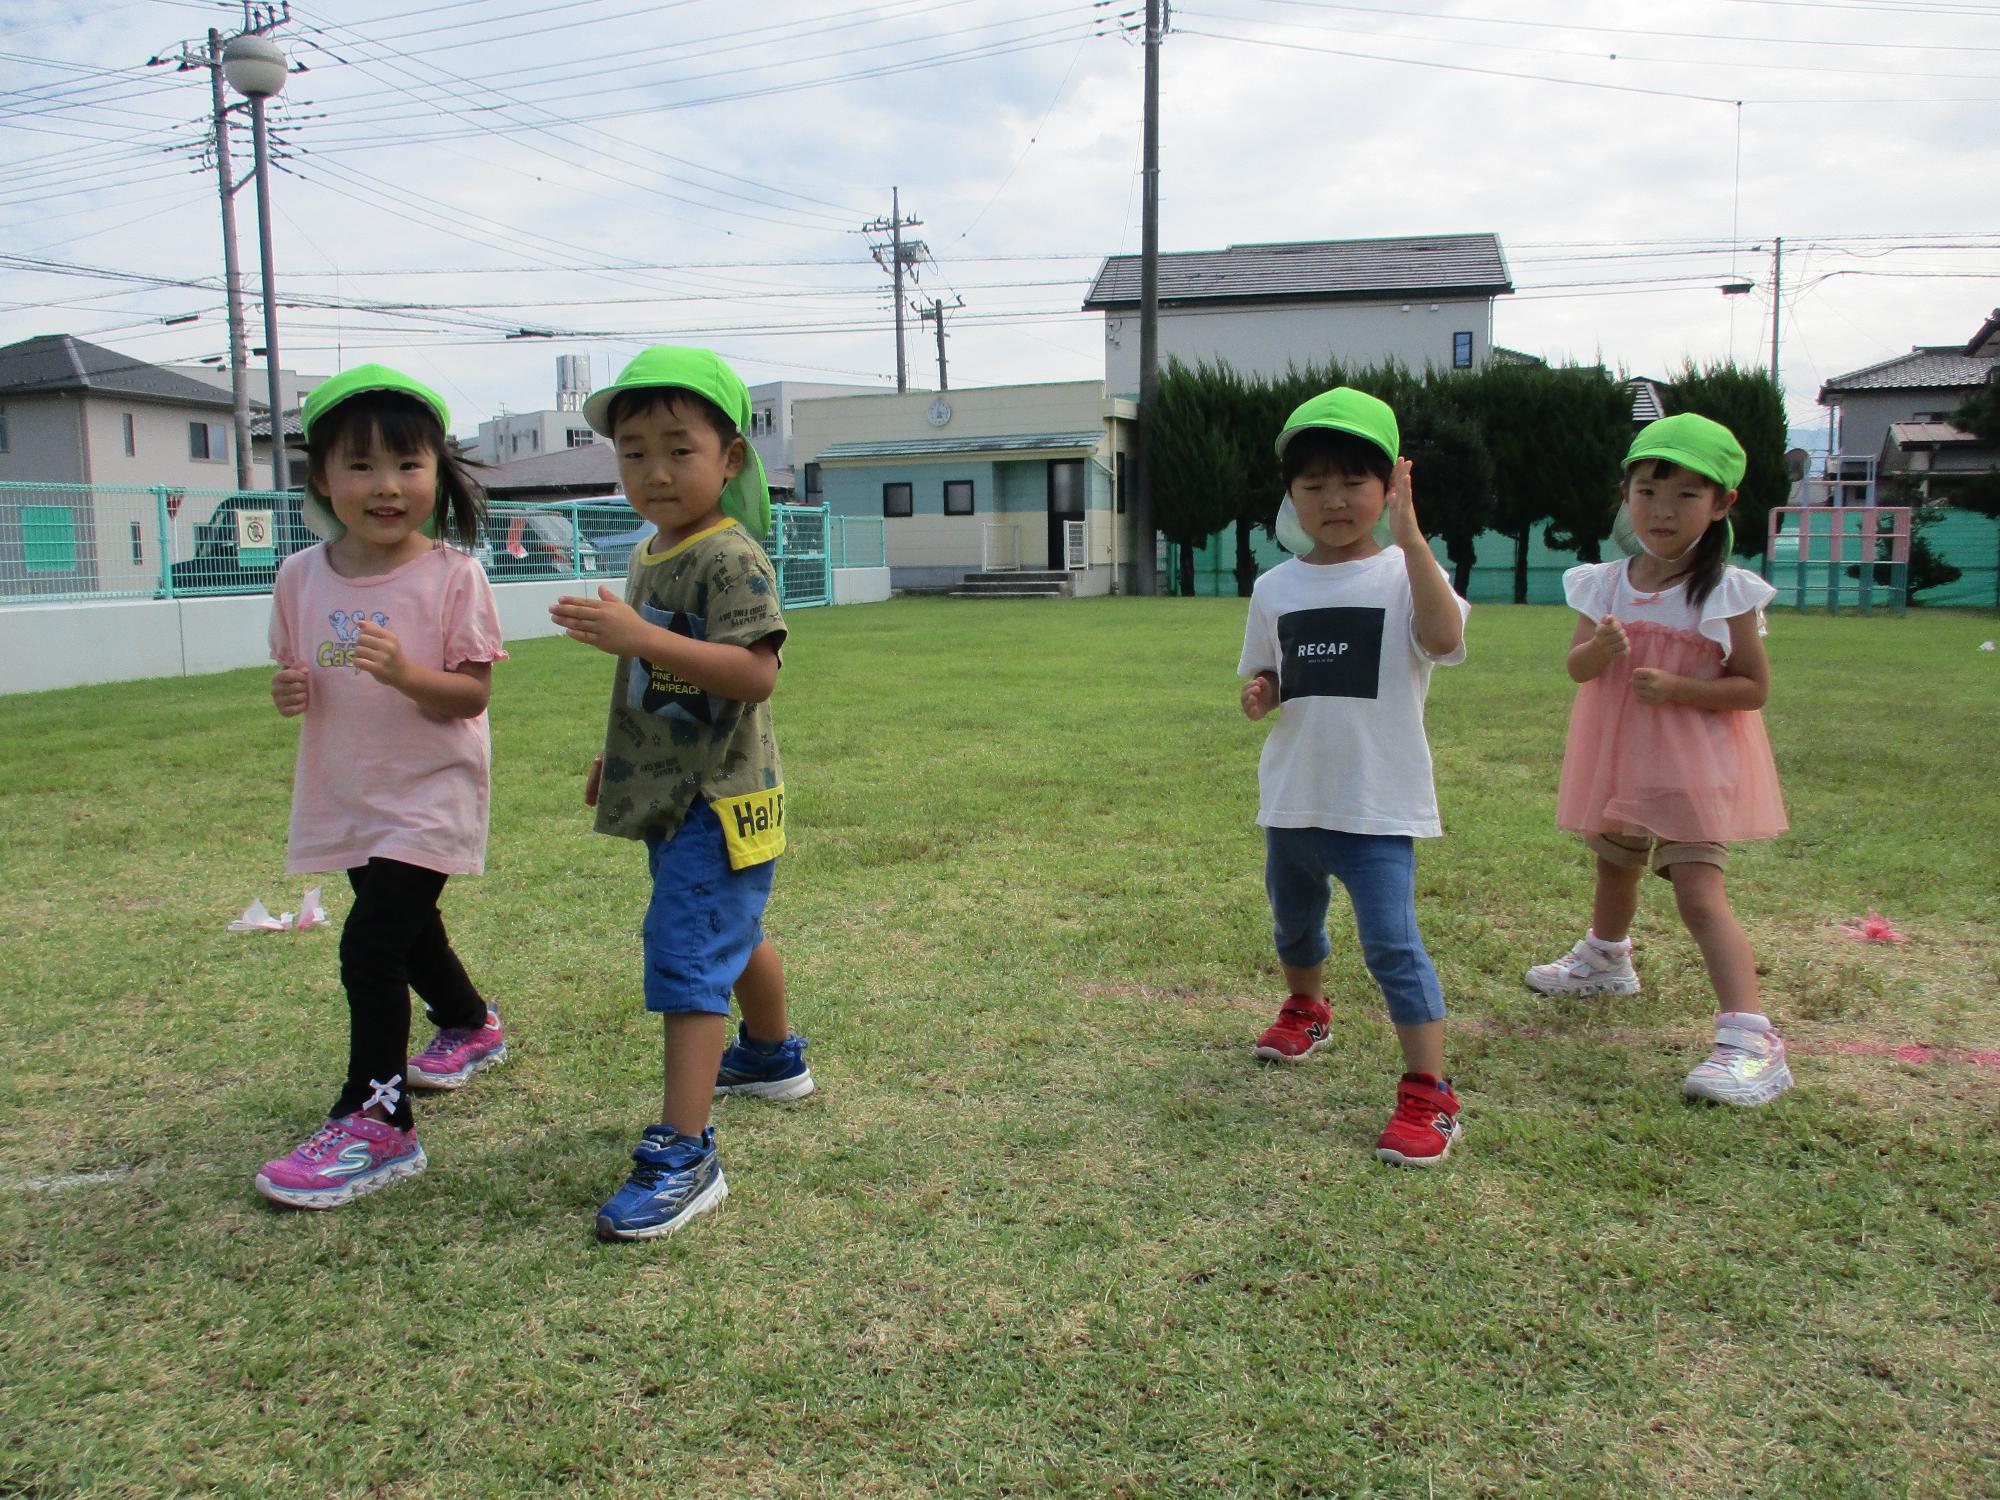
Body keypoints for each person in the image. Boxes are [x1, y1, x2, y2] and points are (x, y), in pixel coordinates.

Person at [551, 346, 810, 1241]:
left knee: (689, 948)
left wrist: (633, 635)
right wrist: (613, 755)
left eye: (678, 448)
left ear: (730, 458)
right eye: (633, 452)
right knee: (724, 929)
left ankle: (687, 1152)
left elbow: (753, 674)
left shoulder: (730, 559)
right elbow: (649, 676)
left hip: (721, 794)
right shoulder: (653, 551)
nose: (654, 471)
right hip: (672, 789)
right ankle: (773, 1057)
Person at [255, 365, 509, 1209]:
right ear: (323, 479)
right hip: (350, 790)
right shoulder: (300, 576)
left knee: (370, 945)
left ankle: (378, 1119)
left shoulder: (451, 576)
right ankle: (471, 1023)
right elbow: (296, 671)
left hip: (431, 788)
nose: (386, 486)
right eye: (360, 467)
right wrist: (289, 691)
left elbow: (470, 693)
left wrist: (406, 673)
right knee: (407, 931)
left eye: (407, 464)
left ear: (437, 473)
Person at [1526, 413, 1792, 1106]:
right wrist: (1600, 652)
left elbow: (1753, 687)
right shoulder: (1604, 582)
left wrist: (1679, 688)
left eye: (1685, 496)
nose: (1662, 510)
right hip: (1619, 757)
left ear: (1723, 504)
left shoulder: (1725, 591)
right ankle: (1605, 957)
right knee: (1614, 861)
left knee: (1699, 894)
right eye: (1647, 491)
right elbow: (1578, 669)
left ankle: (1751, 1039)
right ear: (1625, 495)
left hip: (1691, 764)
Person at [1237, 388, 1471, 1166]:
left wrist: (1414, 542)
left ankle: (1429, 1094)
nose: (1333, 500)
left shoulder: (1406, 575)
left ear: (1391, 485)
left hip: (1377, 806)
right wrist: (1262, 690)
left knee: (1392, 945)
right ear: (1290, 496)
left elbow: (1442, 640)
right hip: (1295, 799)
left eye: (1353, 482)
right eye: (1312, 486)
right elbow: (1267, 672)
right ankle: (1307, 1008)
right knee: (1293, 925)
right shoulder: (1276, 588)